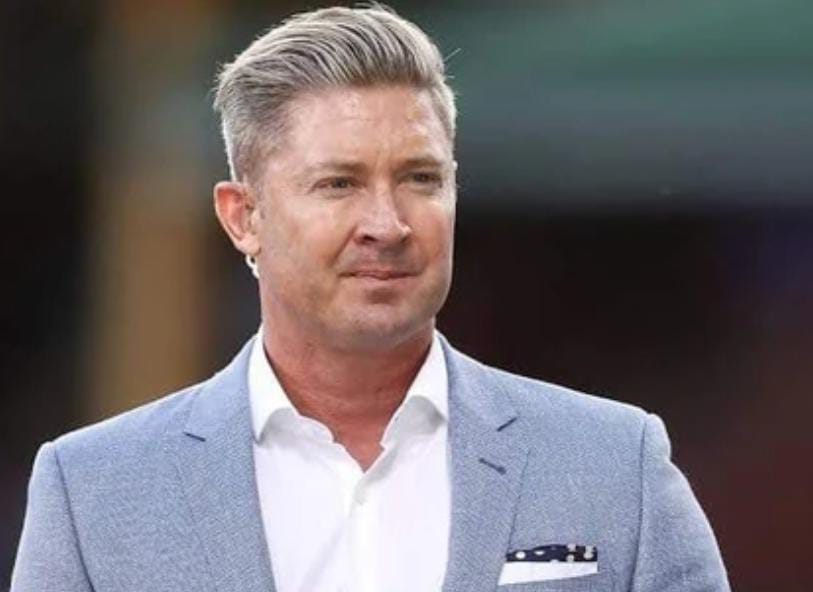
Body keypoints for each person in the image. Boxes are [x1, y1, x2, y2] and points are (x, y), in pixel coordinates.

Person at [11, 4, 729, 592]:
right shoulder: (95, 491)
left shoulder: (614, 465)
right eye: (339, 184)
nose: (386, 224)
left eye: (420, 179)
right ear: (243, 217)